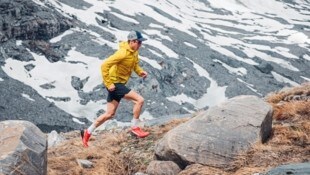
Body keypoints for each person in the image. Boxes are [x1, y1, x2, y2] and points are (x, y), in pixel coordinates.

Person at [81, 31, 149, 148]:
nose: (140, 45)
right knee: (139, 100)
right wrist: (109, 83)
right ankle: (135, 127)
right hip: (115, 84)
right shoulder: (122, 53)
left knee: (109, 114)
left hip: (118, 84)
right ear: (132, 41)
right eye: (139, 42)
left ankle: (87, 132)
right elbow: (104, 65)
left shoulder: (134, 53)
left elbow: (135, 65)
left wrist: (139, 72)